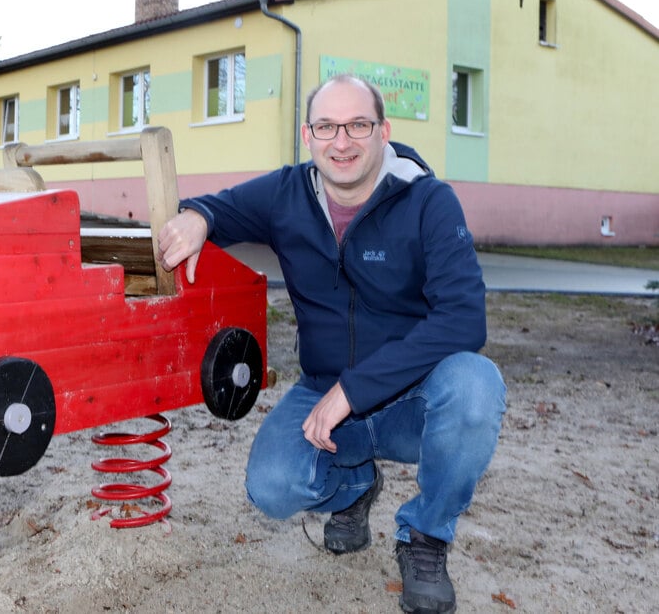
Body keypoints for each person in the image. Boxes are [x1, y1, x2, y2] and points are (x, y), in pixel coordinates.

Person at [157, 74, 507, 613]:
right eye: (327, 126)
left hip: (413, 399)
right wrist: (197, 218)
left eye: (358, 125)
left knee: (476, 386)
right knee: (271, 488)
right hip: (325, 394)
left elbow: (464, 320)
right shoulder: (286, 194)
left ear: (383, 131)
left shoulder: (429, 201)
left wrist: (355, 389)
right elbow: (220, 207)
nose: (341, 142)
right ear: (307, 134)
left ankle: (426, 538)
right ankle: (355, 486)